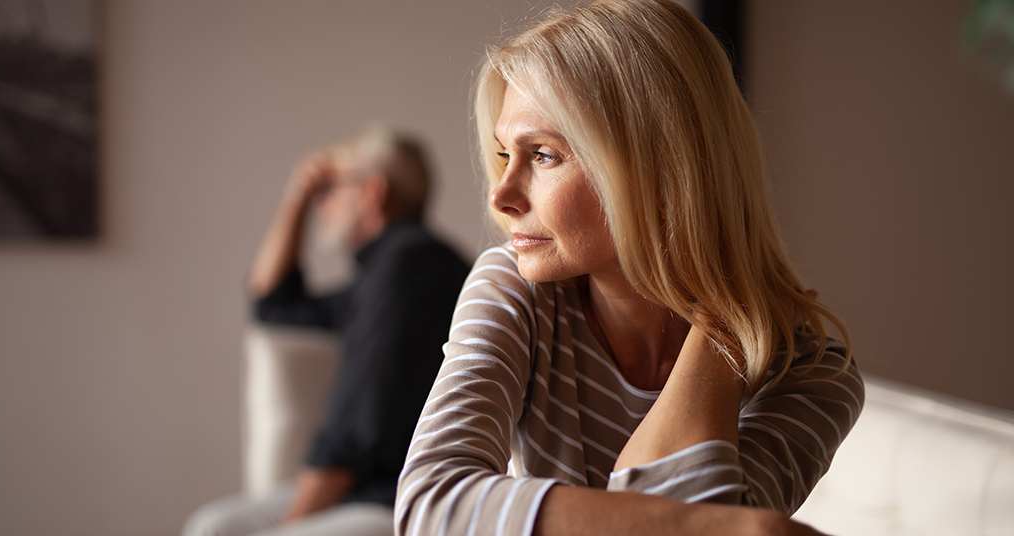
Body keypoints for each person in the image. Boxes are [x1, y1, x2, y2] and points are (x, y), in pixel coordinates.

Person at [394, 1, 865, 535]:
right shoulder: (518, 290)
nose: (501, 196)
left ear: (660, 167)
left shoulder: (811, 372)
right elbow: (429, 506)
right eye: (506, 155)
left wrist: (723, 329)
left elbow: (683, 508)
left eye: (544, 155)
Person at [184, 128, 471, 536]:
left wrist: (299, 516)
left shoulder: (410, 269)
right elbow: (272, 303)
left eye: (329, 191)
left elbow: (358, 424)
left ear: (373, 193)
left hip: (403, 499)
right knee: (212, 526)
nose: (324, 206)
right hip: (362, 491)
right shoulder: (385, 272)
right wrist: (297, 196)